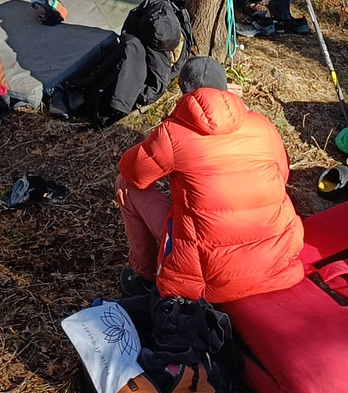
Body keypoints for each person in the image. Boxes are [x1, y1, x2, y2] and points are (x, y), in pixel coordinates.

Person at [114, 55, 304, 303]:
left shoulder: (173, 133)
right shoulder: (262, 125)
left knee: (125, 185)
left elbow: (132, 172)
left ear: (185, 92)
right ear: (225, 88)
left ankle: (145, 275)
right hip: (277, 260)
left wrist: (164, 133)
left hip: (210, 276)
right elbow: (283, 175)